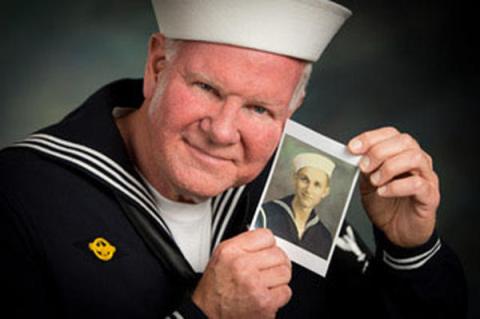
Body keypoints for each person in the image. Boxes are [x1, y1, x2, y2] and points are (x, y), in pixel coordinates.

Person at [0, 0, 467, 318]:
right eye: (205, 88)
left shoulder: (297, 185)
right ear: (158, 66)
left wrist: (411, 251)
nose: (223, 131)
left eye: (259, 109)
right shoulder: (19, 196)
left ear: (291, 111)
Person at [256, 153, 336, 258]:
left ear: (325, 192)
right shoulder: (265, 214)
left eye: (317, 185)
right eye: (304, 179)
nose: (308, 190)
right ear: (295, 179)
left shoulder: (325, 238)